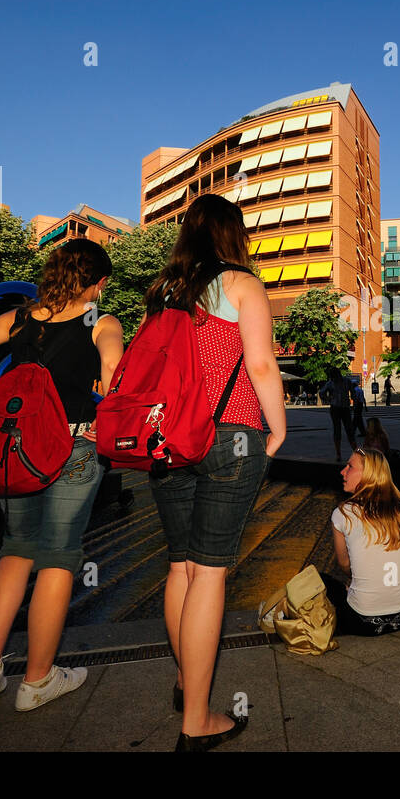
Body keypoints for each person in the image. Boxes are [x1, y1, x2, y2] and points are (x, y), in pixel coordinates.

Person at [0, 238, 125, 712]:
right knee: (58, 557)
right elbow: (115, 367)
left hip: (14, 450)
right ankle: (37, 680)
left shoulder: (17, 320)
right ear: (97, 283)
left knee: (15, 551)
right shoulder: (101, 321)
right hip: (74, 447)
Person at [144, 194, 285, 751]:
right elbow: (261, 363)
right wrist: (277, 430)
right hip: (229, 434)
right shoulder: (243, 285)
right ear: (234, 234)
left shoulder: (163, 292)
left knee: (179, 567)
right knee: (210, 572)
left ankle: (186, 679)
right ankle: (197, 720)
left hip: (168, 442)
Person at [319, 448, 400, 635]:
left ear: (368, 474)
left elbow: (345, 565)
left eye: (350, 467)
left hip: (361, 621)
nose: (343, 471)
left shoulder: (343, 514)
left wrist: (358, 579)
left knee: (323, 581)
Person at [322, 370, 357, 461]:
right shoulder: (331, 383)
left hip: (344, 408)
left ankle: (356, 452)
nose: (333, 379)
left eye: (333, 377)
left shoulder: (346, 381)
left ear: (337, 375)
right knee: (337, 430)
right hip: (335, 408)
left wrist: (354, 402)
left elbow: (353, 392)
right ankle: (338, 454)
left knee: (349, 430)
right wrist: (328, 399)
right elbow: (322, 392)